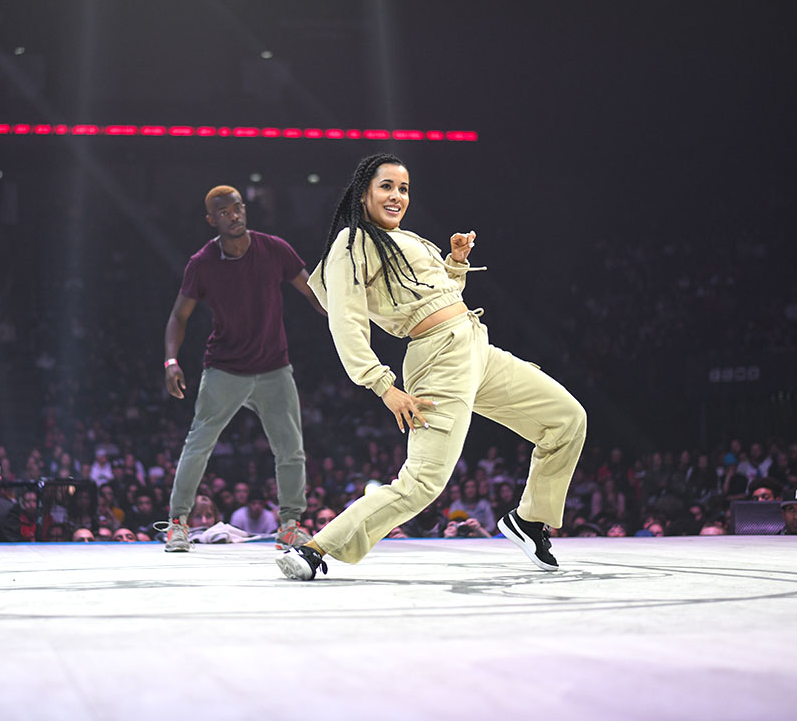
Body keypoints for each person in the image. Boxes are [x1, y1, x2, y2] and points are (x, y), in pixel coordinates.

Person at [276, 154, 586, 580]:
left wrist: (455, 262)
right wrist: (384, 386)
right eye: (386, 186)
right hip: (439, 359)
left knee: (567, 419)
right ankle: (315, 549)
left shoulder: (403, 238)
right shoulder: (352, 243)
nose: (397, 196)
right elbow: (346, 322)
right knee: (423, 482)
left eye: (403, 189)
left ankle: (529, 520)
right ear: (364, 192)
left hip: (475, 347)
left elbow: (438, 294)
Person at [161, 184, 326, 552]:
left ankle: (290, 526)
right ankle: (177, 524)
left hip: (273, 368)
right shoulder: (202, 263)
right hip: (225, 368)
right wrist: (171, 361)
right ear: (211, 220)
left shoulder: (274, 248)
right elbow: (178, 316)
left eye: (237, 208)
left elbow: (312, 292)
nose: (233, 216)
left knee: (291, 449)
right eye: (224, 212)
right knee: (198, 444)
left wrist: (344, 318)